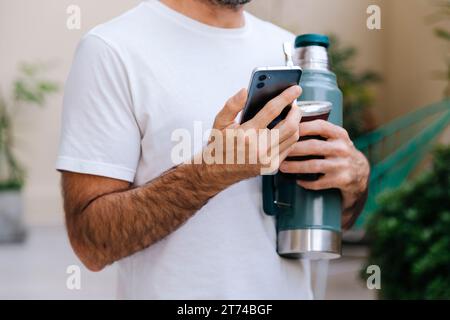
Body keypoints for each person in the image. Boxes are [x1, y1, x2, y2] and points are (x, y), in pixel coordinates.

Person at [57, 0, 370, 299]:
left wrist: (354, 180)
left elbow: (334, 219)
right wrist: (211, 172)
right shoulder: (111, 50)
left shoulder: (290, 51)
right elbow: (91, 243)